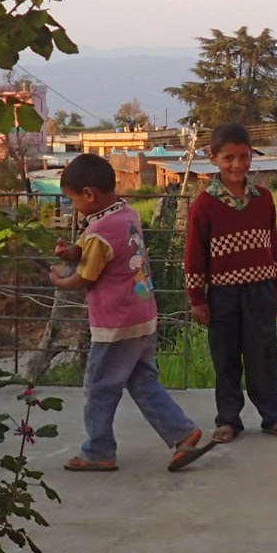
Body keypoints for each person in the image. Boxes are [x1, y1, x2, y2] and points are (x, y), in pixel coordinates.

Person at [48, 153, 211, 472]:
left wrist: (60, 281)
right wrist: (72, 252)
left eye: (73, 199)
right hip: (143, 315)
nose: (74, 207)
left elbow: (87, 276)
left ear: (89, 194)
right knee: (142, 381)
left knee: (99, 387)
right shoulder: (126, 214)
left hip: (115, 324)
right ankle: (182, 432)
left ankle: (98, 451)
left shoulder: (100, 231)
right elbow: (99, 248)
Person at [182, 121, 277, 444]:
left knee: (264, 355)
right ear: (213, 158)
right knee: (226, 358)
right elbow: (194, 254)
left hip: (261, 291)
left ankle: (274, 417)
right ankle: (229, 419)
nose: (237, 165)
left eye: (243, 157)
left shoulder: (263, 199)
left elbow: (273, 243)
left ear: (251, 156)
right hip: (222, 295)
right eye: (228, 158)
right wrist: (197, 298)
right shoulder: (205, 205)